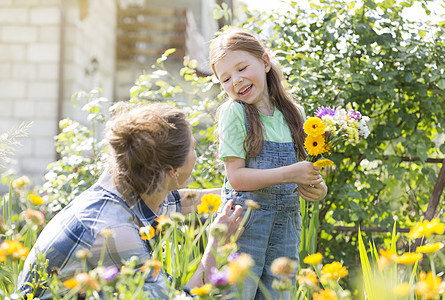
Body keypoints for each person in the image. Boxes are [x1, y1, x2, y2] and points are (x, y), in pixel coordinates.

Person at [15, 103, 243, 299]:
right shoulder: (114, 229)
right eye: (194, 148)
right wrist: (216, 244)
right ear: (173, 171)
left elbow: (179, 200)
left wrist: (240, 192)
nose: (198, 154)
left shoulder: (128, 181)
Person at [209, 28, 328, 299]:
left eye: (242, 68)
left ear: (264, 62)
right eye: (225, 78)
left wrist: (317, 189)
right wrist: (293, 173)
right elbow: (237, 178)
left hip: (286, 228)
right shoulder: (235, 112)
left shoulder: (294, 114)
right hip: (244, 227)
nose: (236, 81)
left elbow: (302, 173)